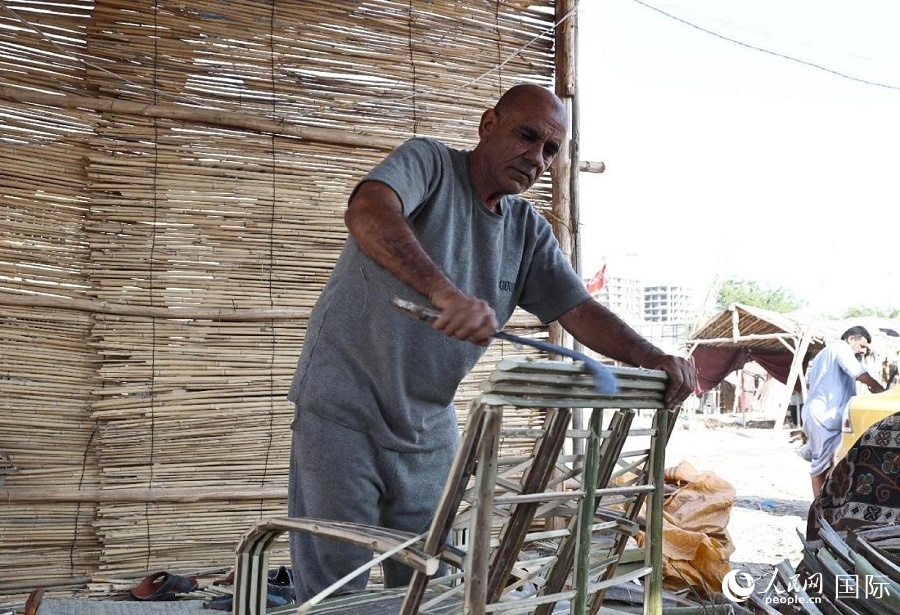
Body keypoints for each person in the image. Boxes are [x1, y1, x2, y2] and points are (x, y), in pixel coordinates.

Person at [286, 83, 697, 602]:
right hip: (343, 411)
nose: (537, 158)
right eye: (527, 136)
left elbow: (577, 308)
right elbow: (367, 210)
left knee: (430, 588)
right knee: (335, 591)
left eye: (550, 150)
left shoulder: (526, 230)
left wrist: (650, 357)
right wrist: (442, 290)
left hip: (428, 427)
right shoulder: (430, 165)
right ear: (488, 126)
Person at [799, 326, 885, 497]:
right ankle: (820, 505)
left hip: (821, 413)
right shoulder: (841, 349)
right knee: (823, 465)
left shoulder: (824, 354)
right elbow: (858, 373)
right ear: (851, 339)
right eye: (861, 346)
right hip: (824, 415)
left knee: (833, 461)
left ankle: (822, 504)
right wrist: (879, 389)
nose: (863, 351)